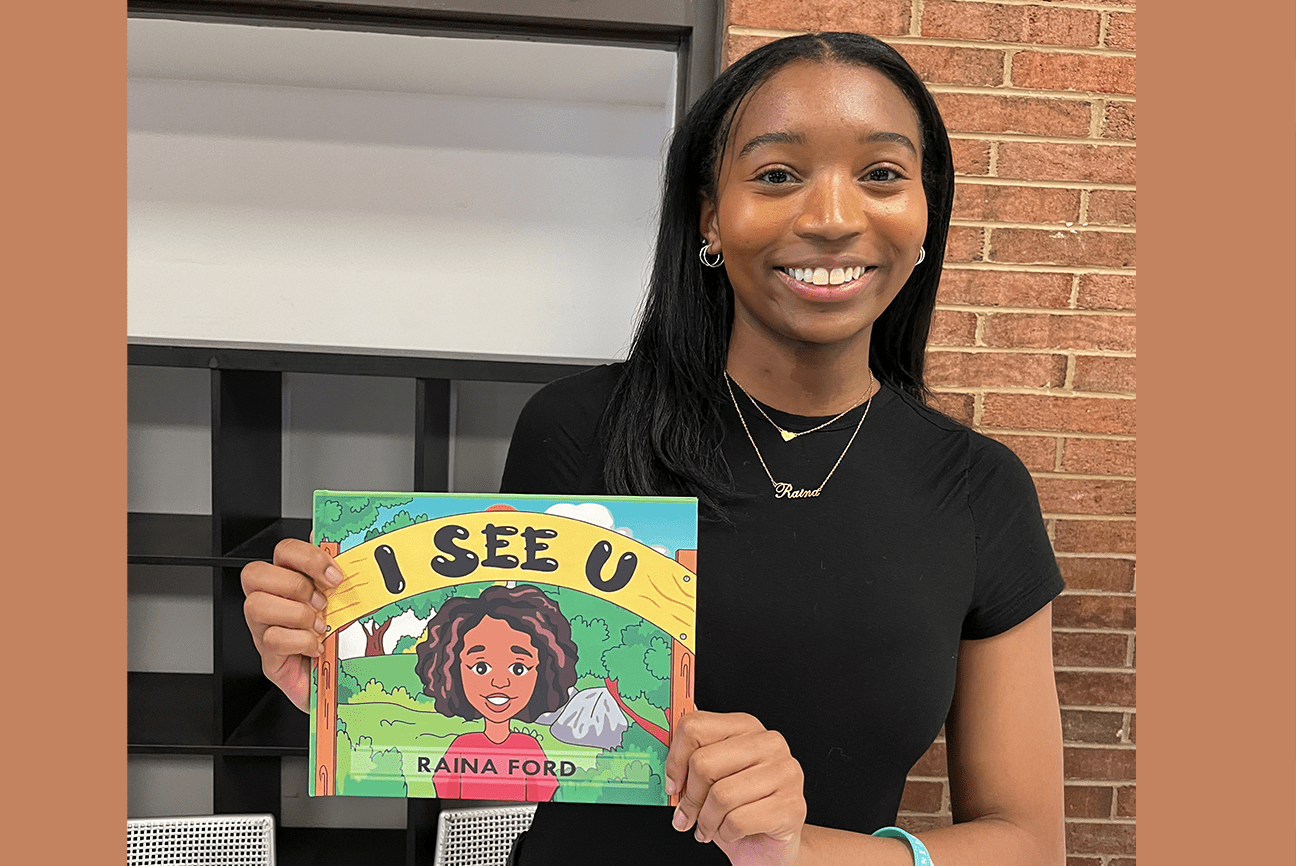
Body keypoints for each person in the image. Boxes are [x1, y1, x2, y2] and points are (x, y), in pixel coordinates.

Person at [241, 31, 1066, 866]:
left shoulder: (979, 491)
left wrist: (803, 854)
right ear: (711, 215)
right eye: (777, 175)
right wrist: (349, 689)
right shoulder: (577, 429)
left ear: (926, 213)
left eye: (881, 174)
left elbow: (1028, 841)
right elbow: (511, 746)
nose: (831, 218)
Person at [413, 584, 579, 801]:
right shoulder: (462, 748)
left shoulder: (529, 748)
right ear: (452, 669)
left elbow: (544, 795)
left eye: (518, 669)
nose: (499, 682)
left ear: (543, 672)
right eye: (480, 668)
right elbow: (446, 790)